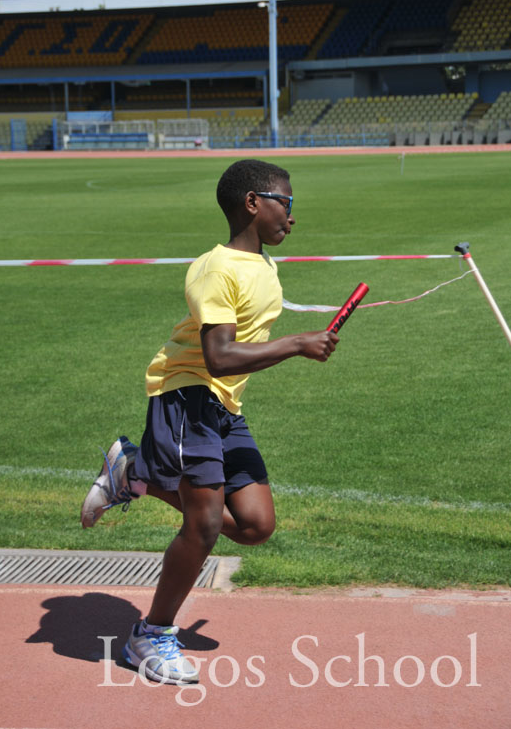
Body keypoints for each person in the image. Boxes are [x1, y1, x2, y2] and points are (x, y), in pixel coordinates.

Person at [80, 158, 339, 684]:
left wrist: (296, 342)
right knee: (201, 526)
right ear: (252, 203)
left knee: (254, 525)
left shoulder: (264, 266)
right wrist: (296, 344)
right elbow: (218, 355)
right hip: (187, 395)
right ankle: (150, 635)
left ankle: (134, 474)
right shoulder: (215, 268)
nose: (292, 215)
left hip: (224, 407)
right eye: (286, 203)